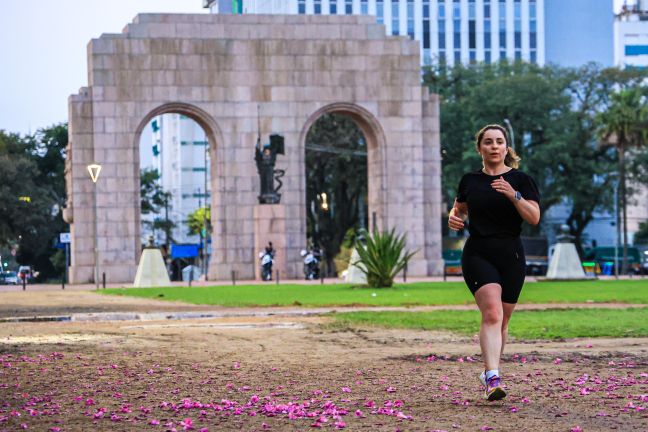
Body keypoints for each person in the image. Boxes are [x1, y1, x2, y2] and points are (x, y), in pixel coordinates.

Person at [448, 124, 540, 401]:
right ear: (480, 149)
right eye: (488, 142)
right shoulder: (470, 181)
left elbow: (534, 217)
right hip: (478, 252)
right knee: (492, 314)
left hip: (511, 254)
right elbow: (459, 209)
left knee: (503, 319)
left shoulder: (521, 180)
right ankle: (493, 378)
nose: (494, 146)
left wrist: (513, 195)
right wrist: (453, 217)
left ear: (506, 147)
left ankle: (491, 370)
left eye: (499, 141)